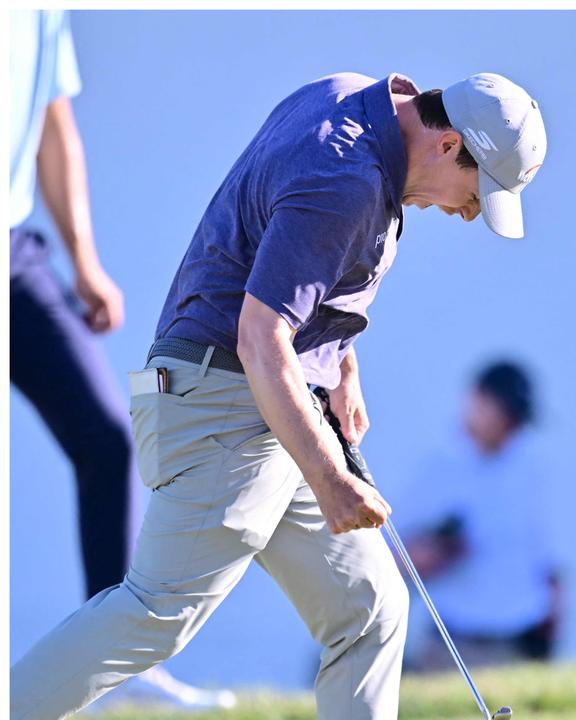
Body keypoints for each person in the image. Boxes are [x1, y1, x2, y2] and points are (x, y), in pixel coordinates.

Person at [11, 68, 548, 720]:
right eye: (476, 192)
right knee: (157, 612)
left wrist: (341, 365)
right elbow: (261, 336)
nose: (468, 213)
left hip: (263, 401)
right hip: (225, 403)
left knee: (372, 606)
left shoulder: (349, 93)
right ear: (447, 143)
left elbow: (292, 271)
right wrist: (329, 478)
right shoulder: (346, 183)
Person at [9, 9, 236, 710]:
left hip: (12, 255)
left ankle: (112, 667)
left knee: (107, 441)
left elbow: (53, 125)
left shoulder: (41, 13)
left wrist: (84, 262)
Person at [403, 360, 560, 671]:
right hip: (453, 647)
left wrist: (550, 634)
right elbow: (396, 559)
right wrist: (438, 551)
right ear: (477, 399)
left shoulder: (532, 468)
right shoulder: (435, 470)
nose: (513, 427)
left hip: (520, 646)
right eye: (507, 415)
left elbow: (551, 564)